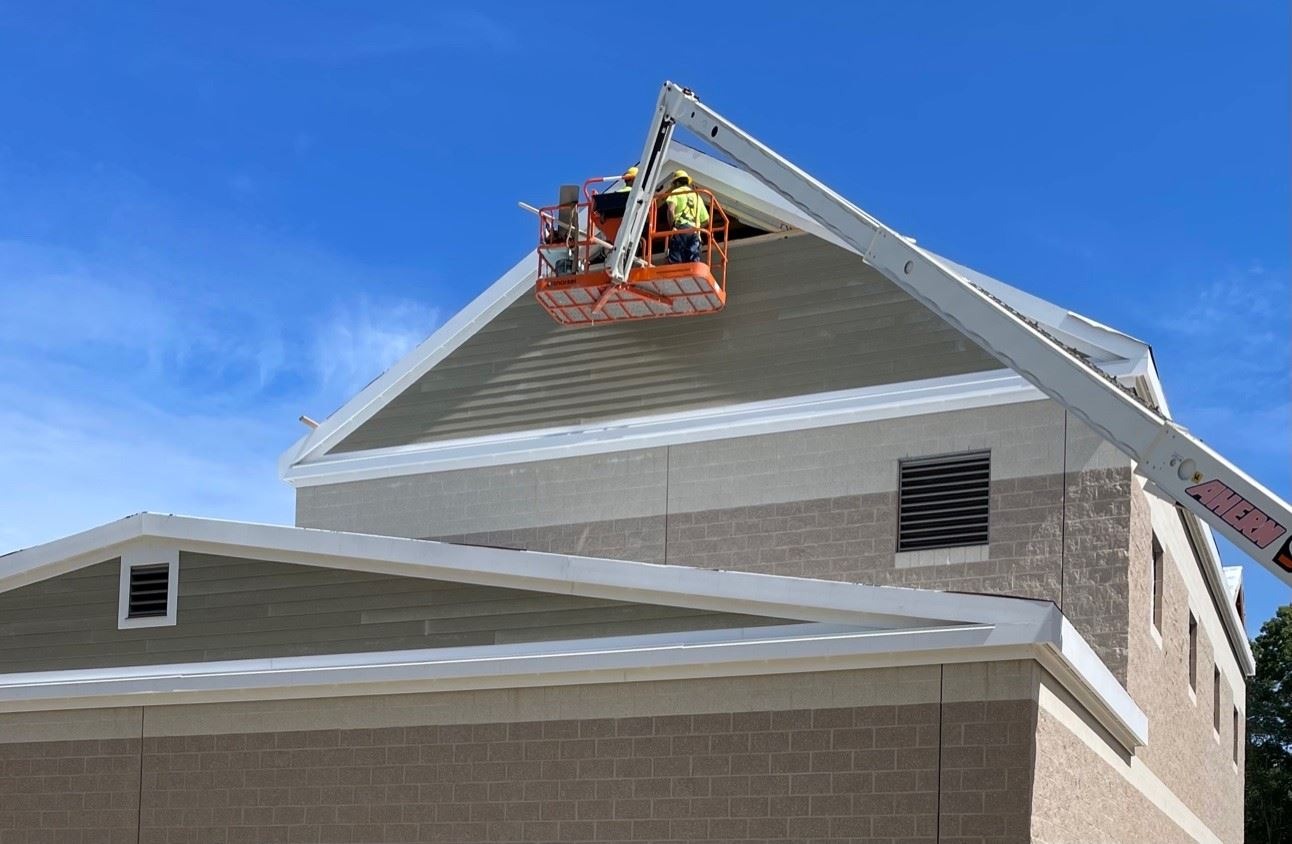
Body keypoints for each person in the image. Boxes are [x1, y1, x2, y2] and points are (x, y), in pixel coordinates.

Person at [661, 170, 708, 264]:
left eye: (674, 184)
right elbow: (706, 220)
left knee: (676, 261)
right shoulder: (697, 196)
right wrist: (697, 228)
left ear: (677, 182)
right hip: (694, 232)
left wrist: (672, 226)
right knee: (692, 262)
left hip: (680, 229)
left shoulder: (676, 192)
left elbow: (670, 210)